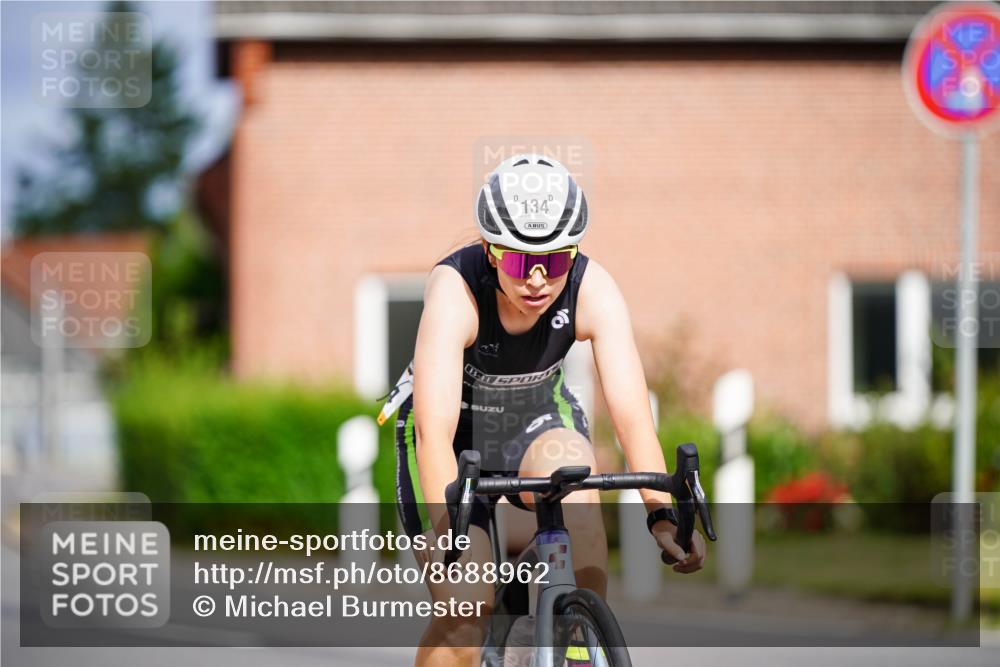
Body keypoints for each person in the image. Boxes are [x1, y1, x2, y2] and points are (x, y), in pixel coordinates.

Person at [386, 154, 707, 667]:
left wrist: (662, 514)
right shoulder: (456, 290)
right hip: (454, 440)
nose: (538, 279)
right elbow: (435, 432)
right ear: (491, 253)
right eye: (519, 261)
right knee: (467, 606)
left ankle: (575, 641)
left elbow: (632, 418)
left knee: (574, 479)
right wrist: (454, 536)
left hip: (536, 422)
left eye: (555, 260)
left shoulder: (593, 287)